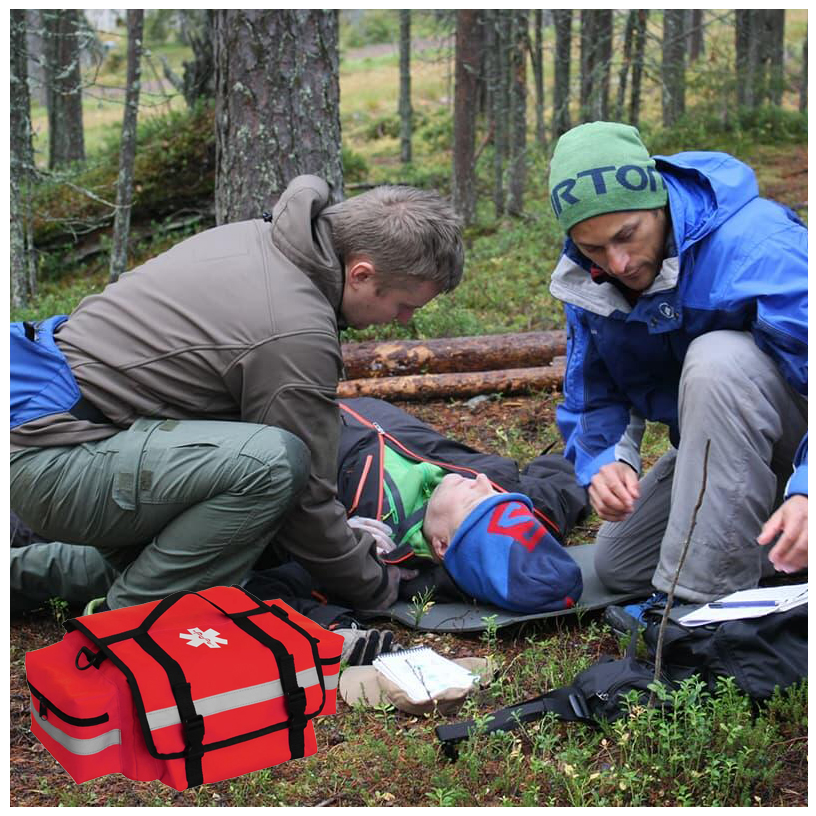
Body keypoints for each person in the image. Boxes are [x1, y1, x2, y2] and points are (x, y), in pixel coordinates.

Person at [10, 177, 464, 614]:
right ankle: (126, 628)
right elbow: (304, 499)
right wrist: (372, 584)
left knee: (197, 558)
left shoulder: (264, 237)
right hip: (54, 459)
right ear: (362, 274)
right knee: (273, 464)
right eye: (405, 305)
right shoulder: (295, 330)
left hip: (63, 430)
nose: (404, 320)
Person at [546, 121, 807, 608]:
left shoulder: (757, 244)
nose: (618, 263)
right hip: (740, 449)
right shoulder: (593, 281)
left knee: (719, 360)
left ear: (659, 201)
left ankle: (700, 614)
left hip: (801, 441)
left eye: (628, 235)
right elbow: (592, 393)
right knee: (622, 565)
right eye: (593, 246)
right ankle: (784, 543)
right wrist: (605, 461)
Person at [12, 397, 588, 616]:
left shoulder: (383, 556)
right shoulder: (492, 481)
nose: (483, 490)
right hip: (232, 429)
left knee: (74, 559)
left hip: (221, 505)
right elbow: (557, 483)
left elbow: (278, 591)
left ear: (440, 547)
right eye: (497, 497)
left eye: (477, 509)